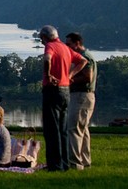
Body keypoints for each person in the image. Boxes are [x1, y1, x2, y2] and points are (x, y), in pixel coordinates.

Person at [39, 25, 87, 171]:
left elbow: (47, 59)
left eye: (42, 39)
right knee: (63, 129)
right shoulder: (65, 48)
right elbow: (82, 61)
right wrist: (70, 75)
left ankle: (55, 165)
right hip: (66, 91)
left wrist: (48, 75)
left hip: (52, 90)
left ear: (45, 37)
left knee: (51, 130)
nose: (42, 42)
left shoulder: (51, 46)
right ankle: (64, 164)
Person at [66, 32, 97, 170]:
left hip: (81, 96)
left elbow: (88, 77)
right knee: (82, 130)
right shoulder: (86, 55)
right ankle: (85, 161)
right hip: (84, 96)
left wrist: (69, 80)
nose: (67, 47)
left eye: (69, 44)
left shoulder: (84, 57)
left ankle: (74, 163)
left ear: (77, 43)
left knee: (73, 128)